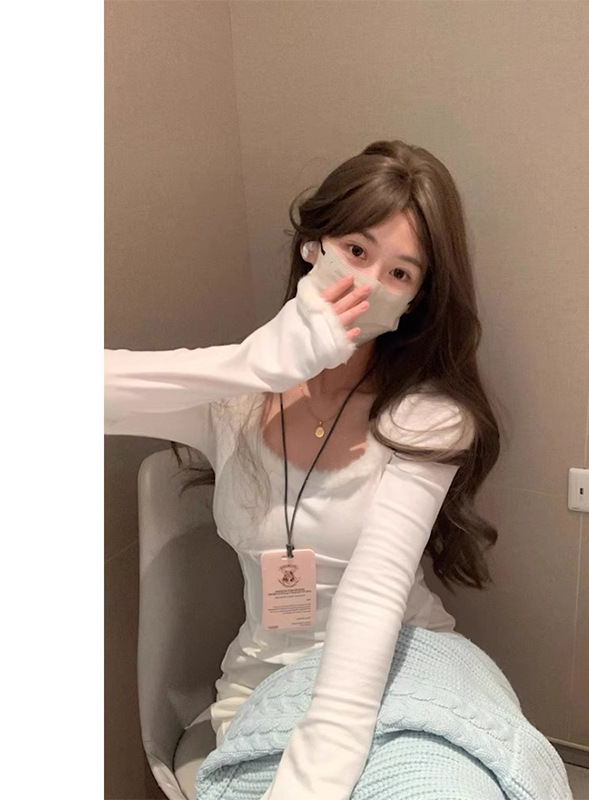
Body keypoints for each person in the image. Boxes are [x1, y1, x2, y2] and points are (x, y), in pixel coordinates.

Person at [105, 139, 501, 799]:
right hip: (266, 682)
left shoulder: (428, 419)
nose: (367, 283)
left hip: (406, 663)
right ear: (313, 245)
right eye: (356, 250)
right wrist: (251, 365)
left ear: (416, 300)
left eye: (400, 273)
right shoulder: (232, 403)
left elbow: (375, 594)